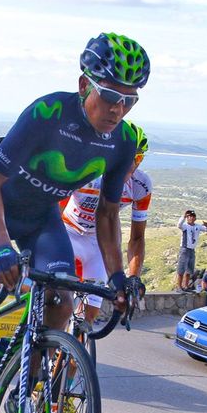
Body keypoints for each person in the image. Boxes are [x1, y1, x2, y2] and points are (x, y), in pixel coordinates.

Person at [0, 31, 150, 413]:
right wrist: (1, 244)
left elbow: (109, 216)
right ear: (84, 85)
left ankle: (29, 381)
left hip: (43, 217)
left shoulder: (123, 142)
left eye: (130, 100)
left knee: (60, 299)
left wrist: (118, 277)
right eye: (111, 96)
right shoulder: (48, 114)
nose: (118, 109)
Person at [60, 120, 151, 325]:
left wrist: (134, 276)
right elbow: (54, 212)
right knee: (60, 306)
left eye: (137, 158)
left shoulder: (141, 186)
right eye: (125, 155)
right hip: (68, 233)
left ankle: (73, 352)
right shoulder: (87, 172)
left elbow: (137, 238)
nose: (130, 164)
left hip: (98, 244)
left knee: (89, 317)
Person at [175, 210, 207, 292]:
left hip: (192, 250)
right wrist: (183, 216)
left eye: (192, 216)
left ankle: (186, 286)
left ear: (195, 218)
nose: (190, 217)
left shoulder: (197, 226)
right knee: (181, 270)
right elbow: (179, 225)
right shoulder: (184, 226)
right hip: (184, 249)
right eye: (189, 216)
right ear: (187, 218)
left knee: (189, 270)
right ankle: (179, 287)